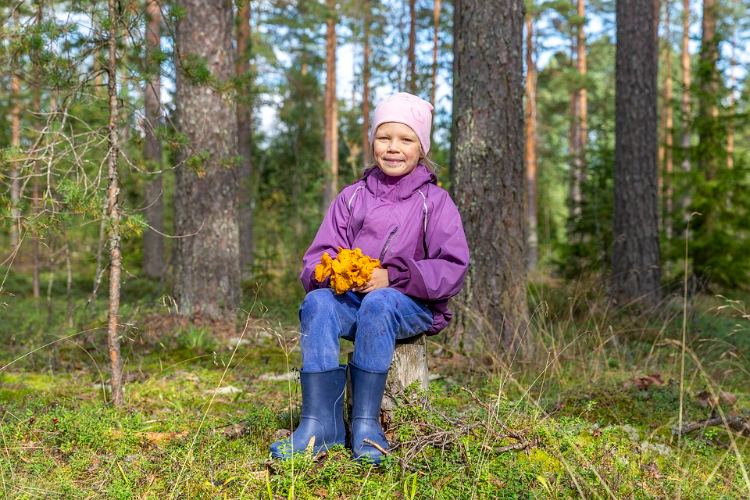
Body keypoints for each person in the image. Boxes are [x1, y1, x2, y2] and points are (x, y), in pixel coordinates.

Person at [270, 92, 470, 465]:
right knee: (316, 303)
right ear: (372, 141)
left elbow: (453, 266)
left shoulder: (434, 202)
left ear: (421, 148)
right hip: (353, 304)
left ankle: (366, 423)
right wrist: (331, 275)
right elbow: (318, 256)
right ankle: (320, 424)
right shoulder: (350, 198)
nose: (394, 148)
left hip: (411, 306)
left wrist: (392, 278)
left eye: (406, 139)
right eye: (384, 137)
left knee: (379, 301)